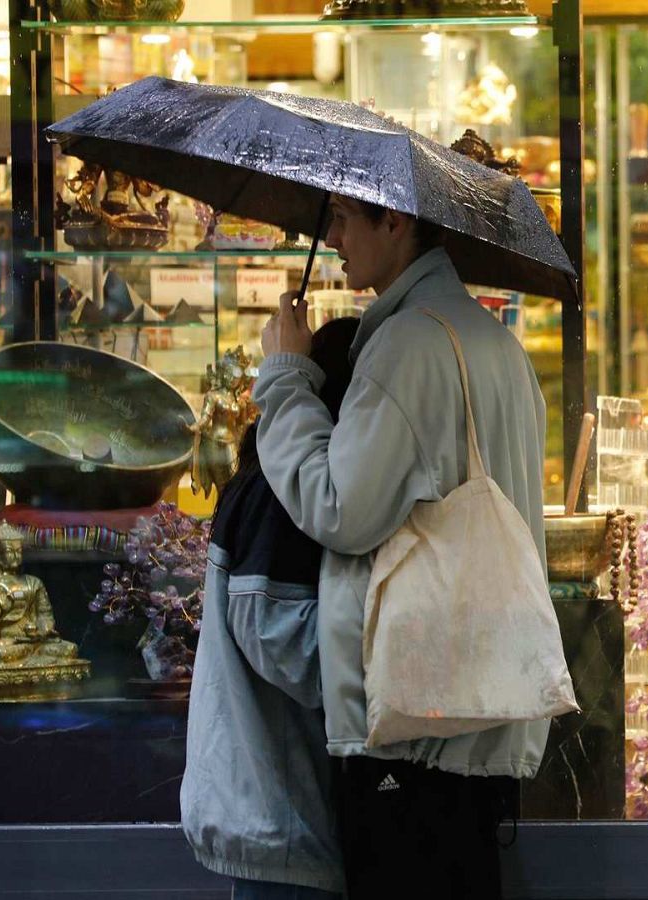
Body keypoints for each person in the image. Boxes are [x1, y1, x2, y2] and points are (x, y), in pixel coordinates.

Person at [252, 195, 549, 900]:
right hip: (477, 712)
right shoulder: (494, 341)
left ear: (396, 221)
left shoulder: (408, 345)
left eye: (346, 218)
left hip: (409, 726)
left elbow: (340, 509)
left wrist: (288, 377)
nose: (333, 235)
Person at [181, 317, 361, 900]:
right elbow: (277, 634)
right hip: (283, 822)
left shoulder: (273, 477)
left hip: (277, 819)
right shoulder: (282, 495)